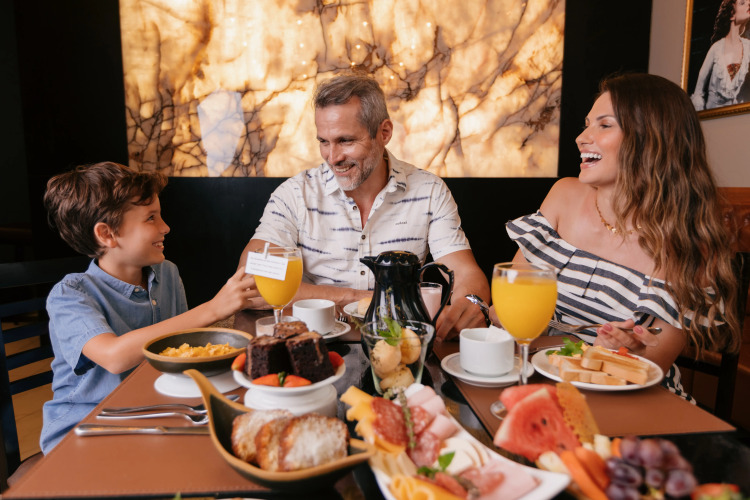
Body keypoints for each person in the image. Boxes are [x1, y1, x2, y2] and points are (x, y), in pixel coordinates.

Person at [497, 73, 741, 400]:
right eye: (587, 125)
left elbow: (650, 366)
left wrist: (621, 353)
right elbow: (509, 308)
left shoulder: (688, 242)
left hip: (635, 400)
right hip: (544, 380)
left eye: (604, 125)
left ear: (651, 139)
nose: (581, 138)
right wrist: (502, 318)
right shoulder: (563, 196)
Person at [237, 73, 490, 340]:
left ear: (384, 133)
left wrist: (470, 304)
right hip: (313, 345)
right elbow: (251, 281)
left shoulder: (429, 191)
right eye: (323, 141)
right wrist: (362, 299)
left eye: (345, 141)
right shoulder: (295, 194)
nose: (332, 158)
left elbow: (465, 273)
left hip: (401, 345)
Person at [40, 162, 255, 452]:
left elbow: (183, 350)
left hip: (153, 413)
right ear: (107, 234)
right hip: (85, 429)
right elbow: (114, 356)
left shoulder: (167, 273)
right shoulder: (70, 295)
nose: (165, 227)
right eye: (151, 218)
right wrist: (213, 309)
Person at [690, 0, 750, 110]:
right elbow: (698, 92)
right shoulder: (716, 49)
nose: (749, 4)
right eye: (742, 3)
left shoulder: (748, 47)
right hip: (714, 117)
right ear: (732, 14)